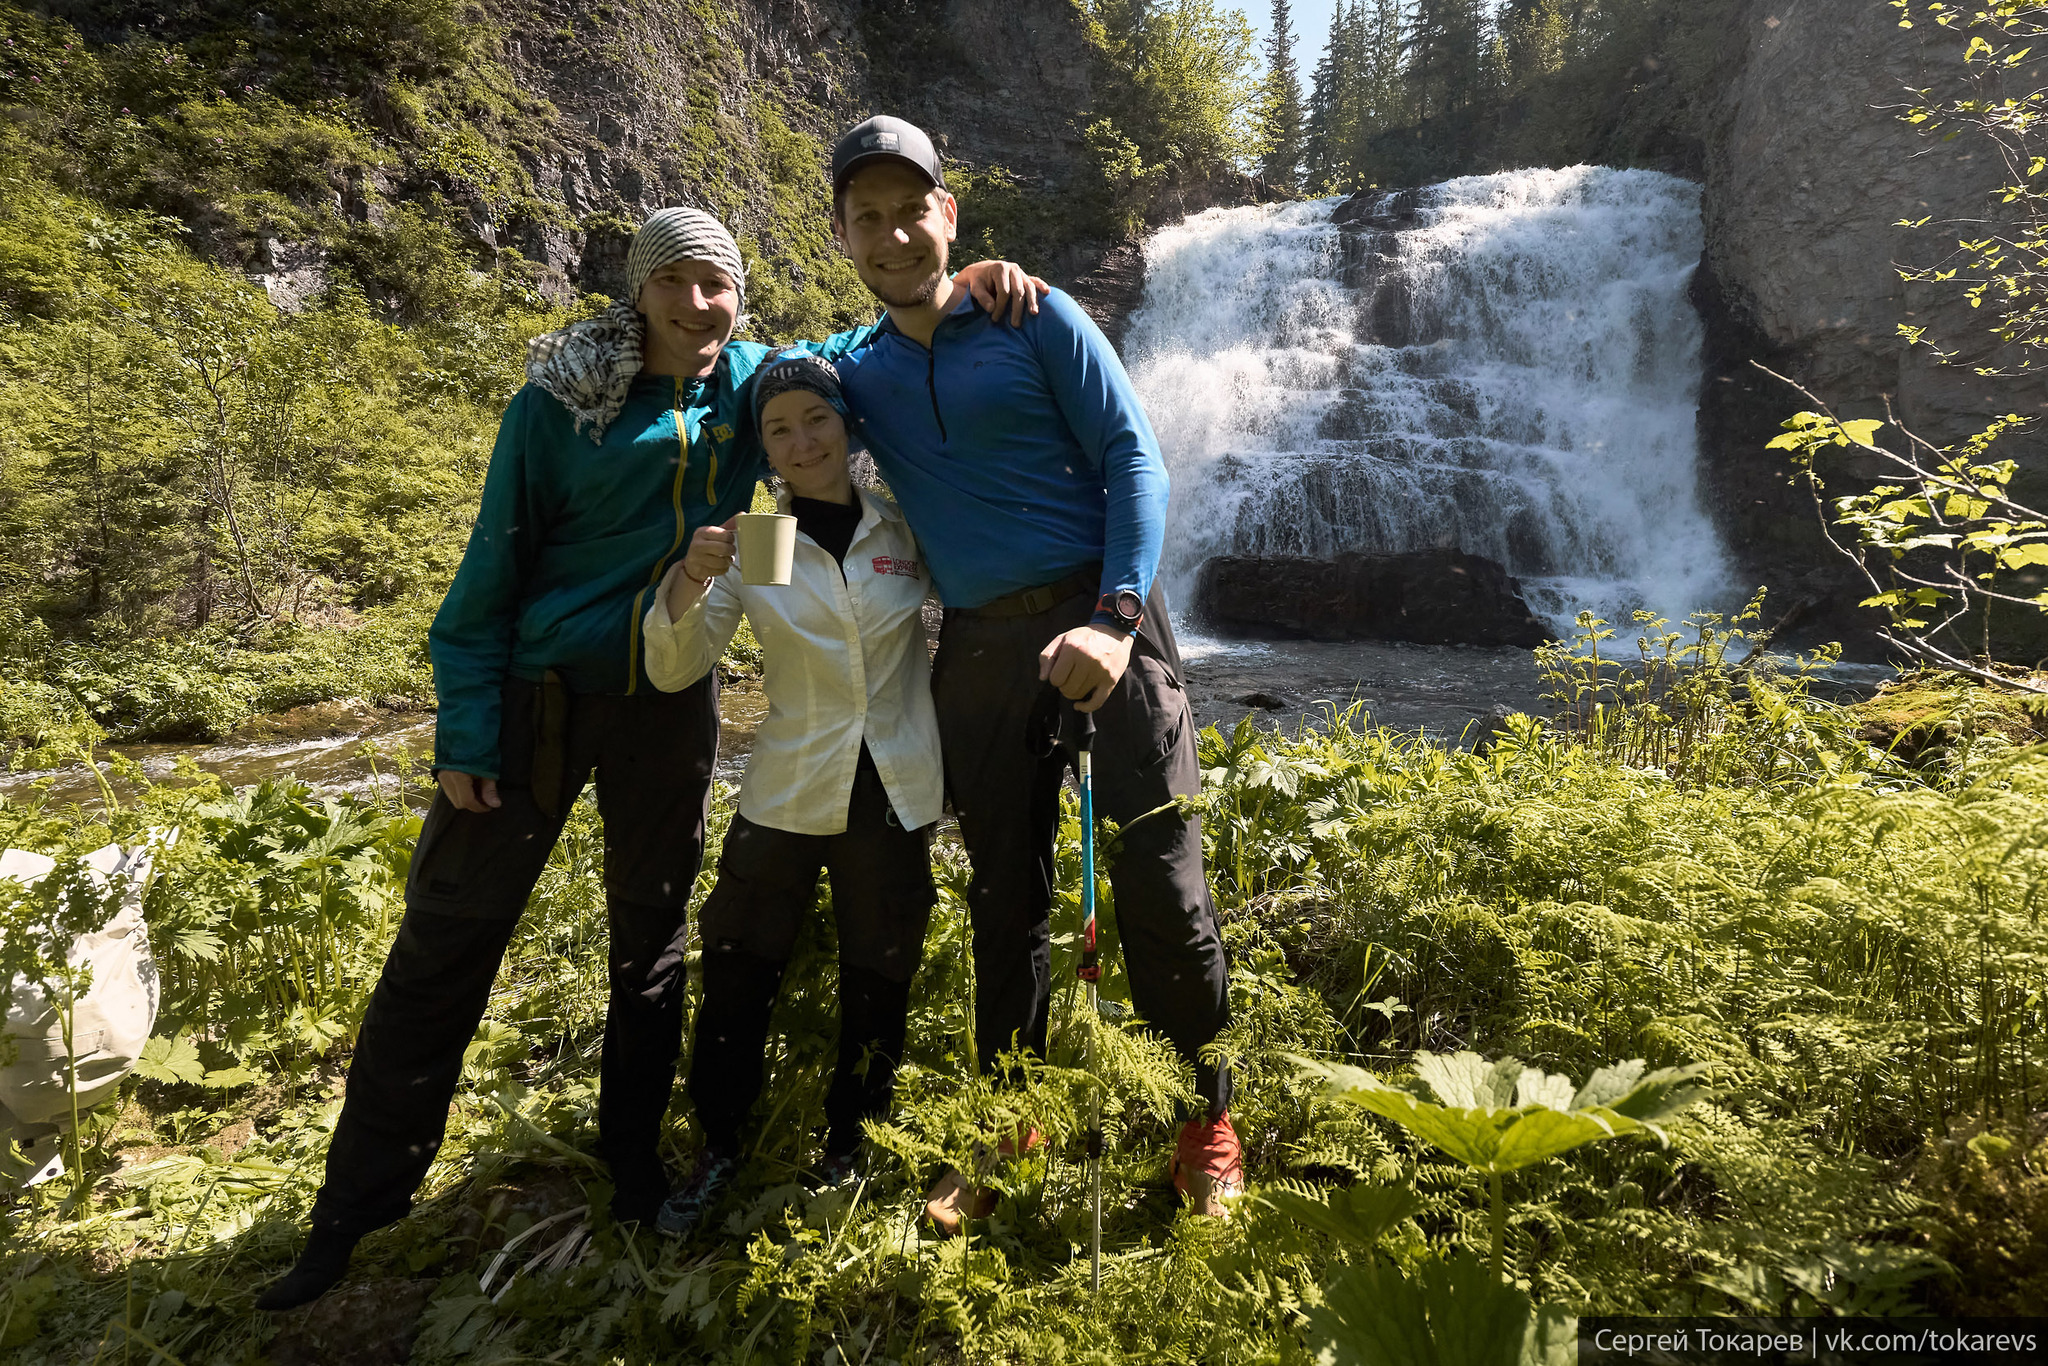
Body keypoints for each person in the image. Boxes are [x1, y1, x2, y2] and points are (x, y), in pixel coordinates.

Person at [256, 207, 1040, 1311]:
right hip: (541, 697)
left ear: (739, 297)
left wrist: (968, 289)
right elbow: (488, 575)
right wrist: (467, 729)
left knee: (651, 945)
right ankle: (352, 1211)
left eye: (717, 282)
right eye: (672, 282)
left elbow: (852, 366)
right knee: (446, 942)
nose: (696, 304)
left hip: (667, 710)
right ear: (637, 293)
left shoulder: (757, 389)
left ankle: (635, 1167)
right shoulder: (557, 402)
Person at [823, 116, 1244, 1233]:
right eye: (867, 216)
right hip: (972, 645)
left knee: (1160, 883)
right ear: (842, 236)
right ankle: (1011, 1119)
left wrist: (1112, 620)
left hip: (1100, 615)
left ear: (946, 216)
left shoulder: (1037, 312)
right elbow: (770, 415)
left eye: (912, 209)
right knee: (1002, 895)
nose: (893, 232)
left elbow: (1131, 456)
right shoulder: (851, 371)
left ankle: (1202, 1117)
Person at [639, 351, 939, 1237]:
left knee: (880, 973)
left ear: (847, 427)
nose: (801, 440)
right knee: (738, 967)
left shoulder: (904, 531)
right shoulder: (760, 545)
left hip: (893, 786)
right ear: (763, 450)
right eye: (779, 428)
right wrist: (689, 579)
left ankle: (852, 1142)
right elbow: (676, 666)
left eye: (816, 418)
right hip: (787, 784)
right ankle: (720, 1146)